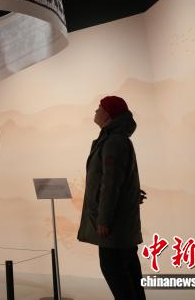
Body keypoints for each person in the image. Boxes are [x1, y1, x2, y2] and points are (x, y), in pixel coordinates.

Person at [77, 96, 147, 300]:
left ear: (108, 114)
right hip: (122, 228)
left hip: (114, 230)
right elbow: (120, 180)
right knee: (131, 277)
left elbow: (111, 183)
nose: (95, 111)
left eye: (99, 108)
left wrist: (103, 220)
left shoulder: (113, 142)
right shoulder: (117, 140)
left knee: (117, 275)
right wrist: (131, 194)